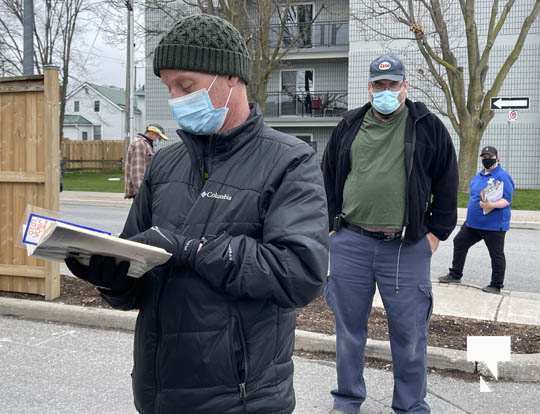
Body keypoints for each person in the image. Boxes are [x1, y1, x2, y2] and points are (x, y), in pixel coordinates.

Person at [65, 14, 329, 414]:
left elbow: (300, 274)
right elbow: (138, 275)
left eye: (185, 85)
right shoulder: (164, 164)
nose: (175, 98)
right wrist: (112, 279)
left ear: (231, 79)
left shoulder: (290, 161)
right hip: (158, 391)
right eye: (168, 87)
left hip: (241, 397)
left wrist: (192, 249)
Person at [322, 54, 458, 414]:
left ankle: (410, 405)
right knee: (348, 333)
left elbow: (447, 180)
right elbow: (330, 175)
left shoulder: (427, 126)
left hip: (406, 245)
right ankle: (348, 400)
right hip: (351, 241)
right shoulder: (349, 124)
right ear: (369, 87)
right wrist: (331, 228)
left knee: (410, 334)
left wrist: (435, 235)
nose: (386, 91)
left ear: (404, 87)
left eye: (392, 85)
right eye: (379, 85)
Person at [439, 146, 515, 294]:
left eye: (490, 156)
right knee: (459, 242)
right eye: (484, 156)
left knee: (496, 254)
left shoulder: (502, 176)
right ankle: (455, 274)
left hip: (493, 225)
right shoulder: (479, 175)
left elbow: (507, 200)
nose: (487, 159)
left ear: (497, 158)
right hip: (473, 224)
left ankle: (496, 285)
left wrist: (491, 205)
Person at [124, 123, 169, 198]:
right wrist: (142, 194)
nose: (158, 140)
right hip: (141, 193)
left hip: (145, 190)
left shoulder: (146, 145)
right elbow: (137, 171)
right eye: (158, 137)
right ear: (152, 133)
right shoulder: (140, 144)